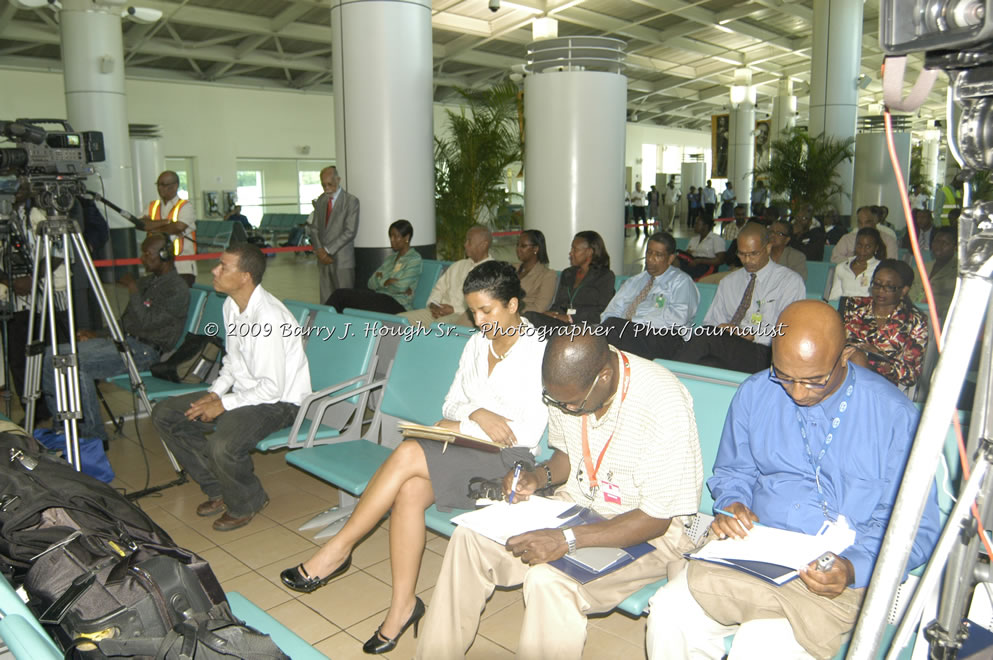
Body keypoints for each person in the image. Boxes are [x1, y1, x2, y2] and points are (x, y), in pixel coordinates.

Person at [646, 300, 941, 660]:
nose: (798, 393)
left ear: (845, 356)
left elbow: (917, 527)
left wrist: (852, 568)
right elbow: (734, 471)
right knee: (669, 612)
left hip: (837, 567)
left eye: (815, 380)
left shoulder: (893, 416)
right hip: (755, 550)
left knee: (760, 645)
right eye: (784, 376)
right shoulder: (756, 392)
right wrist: (733, 504)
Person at [282, 261, 548, 654]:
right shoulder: (477, 344)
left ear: (512, 305)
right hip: (467, 448)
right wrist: (477, 414)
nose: (477, 321)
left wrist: (461, 424)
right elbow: (450, 403)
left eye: (486, 311)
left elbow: (523, 434)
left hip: (511, 463)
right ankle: (402, 607)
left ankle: (338, 550)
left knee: (409, 451)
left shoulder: (538, 352)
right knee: (408, 492)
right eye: (473, 311)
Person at [416, 332, 703, 660]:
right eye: (557, 401)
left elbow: (656, 519)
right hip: (574, 508)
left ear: (604, 377)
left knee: (549, 580)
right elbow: (567, 457)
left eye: (573, 404)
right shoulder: (569, 386)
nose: (566, 409)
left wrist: (566, 539)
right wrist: (536, 477)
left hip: (646, 532)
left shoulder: (662, 401)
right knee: (470, 538)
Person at [151, 243, 310, 531]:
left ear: (245, 277)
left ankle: (248, 500)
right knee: (166, 413)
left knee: (222, 444)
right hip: (247, 393)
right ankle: (219, 487)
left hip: (281, 403)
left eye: (224, 267)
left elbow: (272, 389)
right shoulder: (231, 305)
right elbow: (233, 361)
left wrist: (222, 404)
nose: (215, 270)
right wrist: (215, 392)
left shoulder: (268, 318)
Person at [41, 233, 189, 445]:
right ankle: (62, 427)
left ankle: (93, 437)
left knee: (75, 365)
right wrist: (98, 334)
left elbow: (147, 322)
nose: (142, 258)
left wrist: (133, 290)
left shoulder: (176, 288)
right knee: (50, 355)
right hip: (122, 342)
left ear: (165, 255)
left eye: (148, 254)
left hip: (144, 352)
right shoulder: (148, 282)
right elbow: (126, 321)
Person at [674, 223, 806, 372]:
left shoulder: (789, 282)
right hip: (730, 347)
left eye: (753, 254)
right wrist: (723, 328)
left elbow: (789, 331)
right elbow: (712, 321)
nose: (747, 260)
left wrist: (753, 335)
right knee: (706, 362)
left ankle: (669, 376)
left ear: (768, 248)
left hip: (765, 351)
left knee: (705, 338)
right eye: (742, 254)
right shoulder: (729, 282)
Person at [601, 232, 700, 358]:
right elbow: (611, 311)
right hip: (628, 333)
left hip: (665, 337)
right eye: (649, 252)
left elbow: (679, 319)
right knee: (599, 330)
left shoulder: (681, 282)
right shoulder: (634, 281)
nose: (650, 258)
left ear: (670, 258)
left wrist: (636, 321)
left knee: (612, 328)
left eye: (658, 255)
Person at [843, 259, 929, 389]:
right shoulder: (853, 305)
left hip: (881, 384)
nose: (880, 291)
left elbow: (911, 375)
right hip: (843, 371)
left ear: (904, 290)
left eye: (889, 287)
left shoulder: (915, 321)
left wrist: (878, 356)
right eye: (877, 284)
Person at [399, 225, 492, 327]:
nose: (465, 245)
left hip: (461, 316)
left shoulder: (492, 271)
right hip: (436, 312)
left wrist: (454, 309)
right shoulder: (458, 265)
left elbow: (485, 305)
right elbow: (439, 289)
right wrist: (434, 305)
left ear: (484, 245)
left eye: (469, 241)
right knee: (399, 320)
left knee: (438, 326)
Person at [326, 219, 422, 314]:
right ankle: (325, 321)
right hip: (381, 299)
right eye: (390, 236)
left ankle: (320, 321)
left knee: (341, 296)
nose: (392, 240)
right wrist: (386, 282)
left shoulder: (414, 259)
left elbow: (401, 287)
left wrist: (381, 281)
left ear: (406, 237)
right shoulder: (390, 259)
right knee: (340, 296)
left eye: (396, 236)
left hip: (398, 304)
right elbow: (371, 283)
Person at [525, 231, 614, 328]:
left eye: (575, 249)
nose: (571, 253)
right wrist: (552, 313)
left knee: (531, 318)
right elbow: (558, 304)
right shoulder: (568, 273)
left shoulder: (605, 276)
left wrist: (570, 318)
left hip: (584, 325)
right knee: (528, 317)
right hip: (561, 323)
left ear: (589, 252)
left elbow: (603, 311)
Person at [306, 165, 360, 303]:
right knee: (326, 301)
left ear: (338, 180)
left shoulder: (351, 201)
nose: (327, 188)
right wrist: (320, 251)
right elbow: (314, 228)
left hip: (342, 262)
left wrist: (327, 250)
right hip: (323, 260)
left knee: (345, 301)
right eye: (323, 185)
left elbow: (350, 231)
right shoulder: (321, 201)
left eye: (330, 184)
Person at [142, 170, 197, 286]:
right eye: (158, 185)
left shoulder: (186, 206)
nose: (160, 188)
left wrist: (153, 227)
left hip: (182, 267)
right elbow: (142, 224)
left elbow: (178, 227)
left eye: (164, 185)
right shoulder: (152, 206)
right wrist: (167, 222)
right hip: (158, 267)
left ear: (175, 186)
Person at [910, 226, 957, 324]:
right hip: (912, 315)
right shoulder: (921, 268)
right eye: (936, 241)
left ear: (955, 247)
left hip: (939, 321)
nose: (939, 246)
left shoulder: (958, 273)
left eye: (945, 243)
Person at [827, 227, 881, 300]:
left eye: (868, 247)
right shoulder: (842, 267)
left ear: (876, 248)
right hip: (844, 306)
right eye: (859, 245)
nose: (862, 250)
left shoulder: (880, 268)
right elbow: (834, 297)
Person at [831, 206, 897, 264]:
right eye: (860, 222)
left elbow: (891, 264)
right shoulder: (847, 239)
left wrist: (870, 264)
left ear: (875, 222)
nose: (863, 226)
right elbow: (835, 259)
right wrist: (855, 263)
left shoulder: (888, 240)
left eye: (867, 222)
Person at [515, 229, 557, 313]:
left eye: (523, 246)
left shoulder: (547, 275)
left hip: (525, 316)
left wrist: (511, 308)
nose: (518, 249)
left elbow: (539, 308)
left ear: (535, 249)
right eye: (517, 245)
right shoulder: (512, 268)